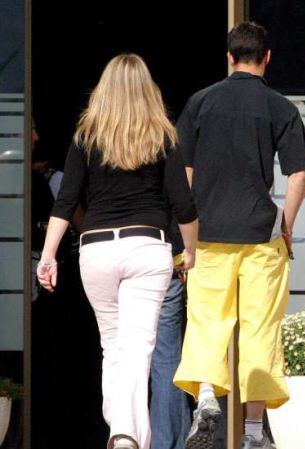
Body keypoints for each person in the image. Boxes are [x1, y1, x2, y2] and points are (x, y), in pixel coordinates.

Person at [36, 54, 199, 449]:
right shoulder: (162, 135)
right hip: (148, 248)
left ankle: (122, 434)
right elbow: (184, 206)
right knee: (139, 347)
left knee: (113, 345)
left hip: (97, 251)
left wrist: (47, 255)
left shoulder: (87, 136)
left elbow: (66, 202)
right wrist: (190, 252)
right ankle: (127, 433)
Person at [172, 22, 305, 449]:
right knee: (260, 330)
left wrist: (188, 238)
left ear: (229, 56)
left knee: (206, 321)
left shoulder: (200, 103)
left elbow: (185, 173)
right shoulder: (279, 107)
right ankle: (254, 432)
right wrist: (287, 227)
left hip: (210, 234)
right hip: (260, 236)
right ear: (267, 57)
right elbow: (298, 174)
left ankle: (205, 404)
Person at [149, 223, 192, 449]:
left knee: (120, 355)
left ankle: (124, 437)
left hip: (108, 254)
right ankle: (166, 442)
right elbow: (183, 203)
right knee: (166, 357)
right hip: (164, 252)